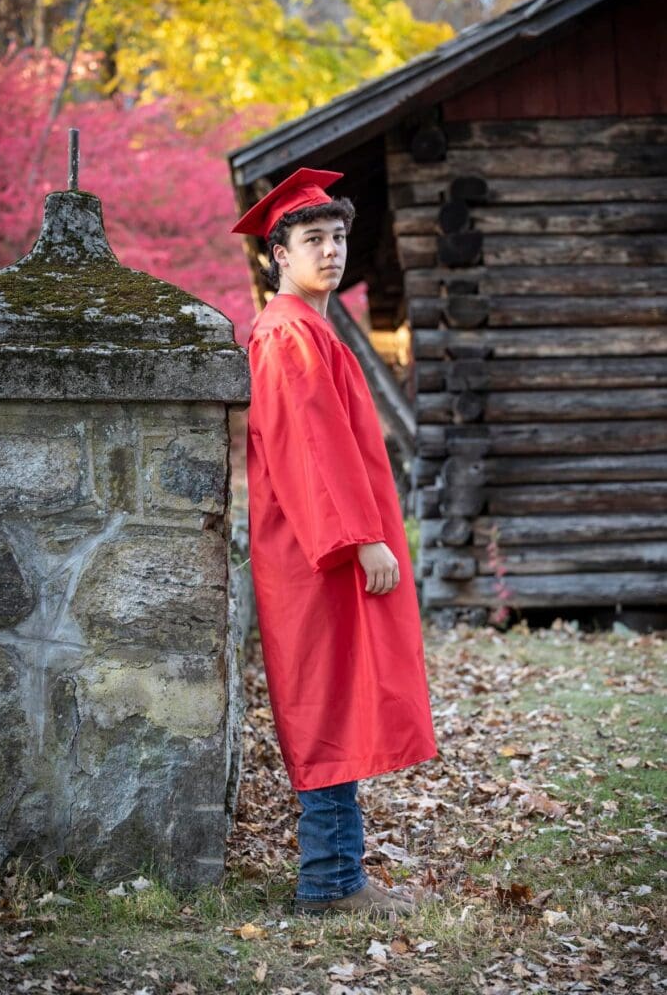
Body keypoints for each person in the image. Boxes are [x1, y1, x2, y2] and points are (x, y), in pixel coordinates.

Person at [231, 167, 438, 919]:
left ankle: (339, 874)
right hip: (314, 550)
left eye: (338, 236)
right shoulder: (287, 333)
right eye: (311, 238)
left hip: (327, 547)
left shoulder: (313, 327)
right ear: (276, 255)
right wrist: (360, 538)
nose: (330, 250)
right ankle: (327, 881)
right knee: (323, 702)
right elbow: (307, 448)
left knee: (340, 698)